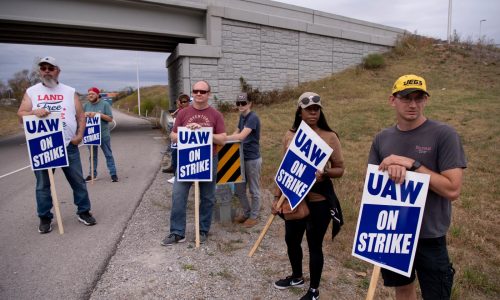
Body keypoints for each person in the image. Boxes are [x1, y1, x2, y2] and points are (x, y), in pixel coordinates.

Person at [368, 74, 466, 300]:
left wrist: (412, 164)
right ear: (392, 100)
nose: (413, 104)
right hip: (393, 231)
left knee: (437, 295)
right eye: (406, 98)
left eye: (419, 98)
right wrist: (390, 168)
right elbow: (372, 186)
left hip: (429, 234)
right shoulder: (382, 138)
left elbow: (452, 190)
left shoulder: (444, 134)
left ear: (426, 100)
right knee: (402, 289)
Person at [272, 92, 345, 300]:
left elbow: (340, 169)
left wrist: (326, 173)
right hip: (294, 198)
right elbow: (284, 169)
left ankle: (313, 290)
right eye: (308, 109)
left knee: (314, 245)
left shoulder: (330, 136)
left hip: (319, 201)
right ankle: (296, 276)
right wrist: (276, 198)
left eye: (316, 109)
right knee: (291, 240)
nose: (313, 112)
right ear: (300, 111)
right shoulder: (290, 135)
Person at [17, 56, 97, 233]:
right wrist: (32, 112)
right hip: (43, 145)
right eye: (43, 68)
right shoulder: (32, 92)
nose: (47, 71)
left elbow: (80, 116)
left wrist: (79, 136)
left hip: (68, 144)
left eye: (50, 68)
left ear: (57, 71)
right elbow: (21, 113)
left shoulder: (69, 91)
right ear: (40, 71)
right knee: (43, 185)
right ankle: (45, 218)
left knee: (77, 181)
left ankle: (83, 211)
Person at [161, 81, 226, 246]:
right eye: (196, 91)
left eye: (203, 91)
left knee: (208, 197)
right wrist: (186, 131)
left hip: (208, 159)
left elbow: (223, 139)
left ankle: (202, 231)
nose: (199, 94)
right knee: (178, 195)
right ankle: (177, 232)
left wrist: (204, 133)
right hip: (186, 159)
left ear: (208, 94)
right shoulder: (183, 113)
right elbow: (173, 136)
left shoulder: (216, 115)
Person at [227, 93, 262, 228]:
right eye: (238, 103)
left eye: (243, 103)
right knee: (239, 189)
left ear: (249, 104)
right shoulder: (242, 117)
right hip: (240, 157)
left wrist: (222, 138)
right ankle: (247, 213)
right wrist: (227, 137)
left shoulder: (252, 118)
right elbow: (237, 132)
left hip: (252, 159)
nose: (241, 106)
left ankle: (254, 216)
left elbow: (241, 136)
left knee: (254, 189)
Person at [84, 87, 118, 182]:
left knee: (108, 154)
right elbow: (80, 119)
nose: (90, 95)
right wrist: (84, 115)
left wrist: (98, 115)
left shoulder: (104, 104)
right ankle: (92, 175)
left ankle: (113, 174)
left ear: (98, 95)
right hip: (91, 134)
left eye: (93, 94)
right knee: (92, 155)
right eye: (89, 94)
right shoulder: (85, 106)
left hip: (103, 134)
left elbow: (110, 119)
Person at [163, 93, 190, 185]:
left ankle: (178, 176)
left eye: (184, 101)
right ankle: (175, 175)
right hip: (176, 137)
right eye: (180, 101)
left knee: (180, 157)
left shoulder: (187, 111)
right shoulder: (179, 110)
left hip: (183, 137)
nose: (181, 103)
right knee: (174, 155)